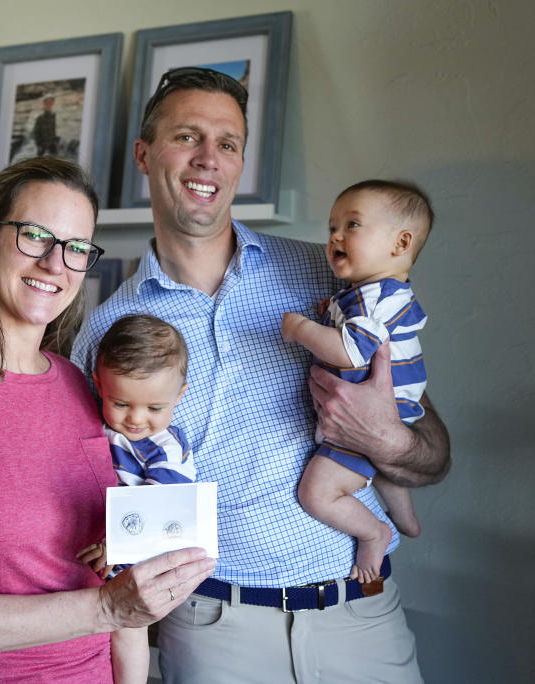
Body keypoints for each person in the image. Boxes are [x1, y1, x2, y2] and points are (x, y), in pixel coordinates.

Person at [70, 67, 450, 683]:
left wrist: (390, 441)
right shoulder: (107, 333)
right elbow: (106, 492)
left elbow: (428, 448)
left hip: (361, 614)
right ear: (143, 154)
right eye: (186, 137)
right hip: (214, 631)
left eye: (227, 144)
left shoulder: (328, 277)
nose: (207, 160)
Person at [0, 157, 215, 683]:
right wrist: (106, 608)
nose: (55, 263)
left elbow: (117, 561)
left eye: (76, 248)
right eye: (34, 235)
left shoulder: (85, 389)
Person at [281, 179, 434, 585]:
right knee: (382, 465)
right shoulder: (368, 293)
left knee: (315, 493)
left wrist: (300, 328)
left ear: (400, 244)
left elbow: (350, 352)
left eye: (353, 225)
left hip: (372, 412)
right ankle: (404, 515)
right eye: (333, 226)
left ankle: (374, 531)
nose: (335, 235)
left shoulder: (375, 296)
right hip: (393, 411)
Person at [77, 313, 195, 683]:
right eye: (122, 404)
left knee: (127, 631)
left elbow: (158, 506)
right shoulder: (93, 423)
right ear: (99, 385)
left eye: (155, 408)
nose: (136, 419)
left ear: (180, 395)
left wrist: (121, 545)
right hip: (94, 552)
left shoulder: (167, 447)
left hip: (135, 552)